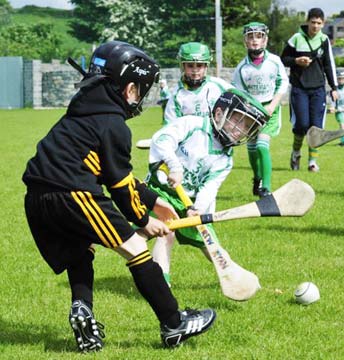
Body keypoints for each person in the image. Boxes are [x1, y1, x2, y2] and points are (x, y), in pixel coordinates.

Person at [22, 41, 216, 352]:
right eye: (140, 89)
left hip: (37, 197)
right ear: (127, 89)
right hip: (73, 194)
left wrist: (154, 200)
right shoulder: (114, 124)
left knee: (79, 250)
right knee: (137, 248)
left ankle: (81, 309)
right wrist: (143, 220)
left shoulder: (83, 111)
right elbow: (119, 182)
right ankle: (173, 322)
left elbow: (107, 170)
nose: (139, 96)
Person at [146, 88, 268, 287]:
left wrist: (198, 209)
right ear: (219, 114)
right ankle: (160, 285)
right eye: (238, 121)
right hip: (160, 191)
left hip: (190, 202)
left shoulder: (225, 159)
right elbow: (161, 140)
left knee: (211, 246)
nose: (240, 130)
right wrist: (174, 166)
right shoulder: (192, 125)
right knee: (162, 232)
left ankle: (237, 279)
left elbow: (210, 187)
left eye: (247, 127)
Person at [135, 42, 231, 147]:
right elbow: (170, 127)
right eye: (190, 65)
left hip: (218, 148)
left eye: (199, 65)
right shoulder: (177, 96)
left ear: (206, 65)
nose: (195, 70)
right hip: (189, 149)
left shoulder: (218, 85)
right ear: (182, 66)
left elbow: (242, 100)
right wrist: (163, 139)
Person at [232, 22, 289, 197]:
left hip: (270, 109)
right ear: (245, 42)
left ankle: (267, 188)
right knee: (251, 149)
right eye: (251, 37)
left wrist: (273, 105)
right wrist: (248, 111)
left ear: (265, 40)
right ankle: (257, 178)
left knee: (262, 145)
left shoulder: (274, 61)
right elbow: (240, 94)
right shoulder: (242, 68)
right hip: (250, 112)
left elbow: (283, 83)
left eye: (259, 36)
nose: (255, 41)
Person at [281, 7, 338, 172]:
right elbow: (283, 59)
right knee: (302, 125)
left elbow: (329, 64)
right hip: (299, 88)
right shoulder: (296, 38)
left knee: (315, 127)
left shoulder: (324, 40)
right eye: (313, 22)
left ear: (323, 23)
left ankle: (312, 162)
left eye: (319, 23)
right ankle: (295, 153)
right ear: (307, 22)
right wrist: (297, 61)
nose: (315, 26)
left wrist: (334, 87)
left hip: (318, 89)